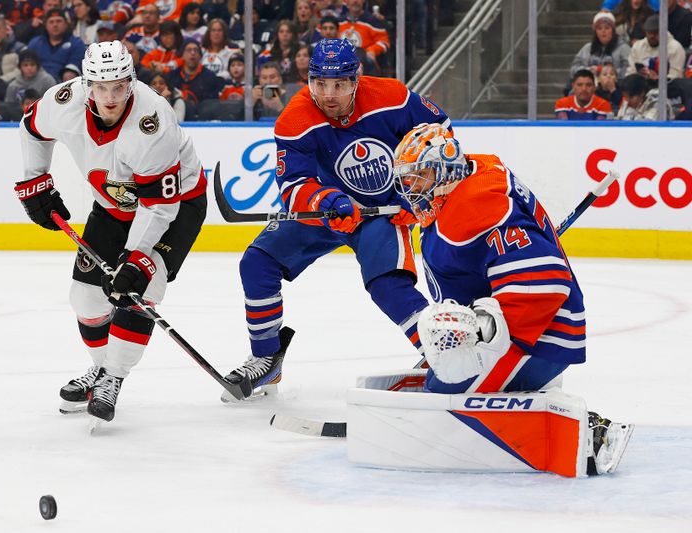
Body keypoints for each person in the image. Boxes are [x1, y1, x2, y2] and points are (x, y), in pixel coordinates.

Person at [388, 122, 632, 476]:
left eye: (420, 176)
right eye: (408, 179)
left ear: (447, 169)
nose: (412, 188)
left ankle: (587, 434)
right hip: (521, 329)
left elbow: (545, 283)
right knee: (441, 382)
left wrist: (479, 327)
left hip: (538, 334)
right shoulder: (478, 173)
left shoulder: (473, 209)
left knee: (442, 408)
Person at [221, 39, 450, 400]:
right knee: (257, 262)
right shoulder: (294, 119)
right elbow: (293, 185)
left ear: (356, 79)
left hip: (383, 212)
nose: (329, 94)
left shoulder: (393, 97)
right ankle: (266, 359)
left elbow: (439, 135)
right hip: (329, 211)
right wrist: (324, 200)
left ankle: (444, 355)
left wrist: (416, 192)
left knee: (388, 285)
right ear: (309, 79)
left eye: (339, 84)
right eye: (319, 83)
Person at [15, 40, 207, 424]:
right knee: (85, 299)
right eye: (101, 87)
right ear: (87, 85)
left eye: (119, 85)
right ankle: (102, 368)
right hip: (112, 206)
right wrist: (34, 182)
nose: (110, 96)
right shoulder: (65, 102)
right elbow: (31, 128)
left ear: (130, 81)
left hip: (177, 205)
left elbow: (158, 206)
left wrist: (135, 259)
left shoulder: (153, 120)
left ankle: (114, 378)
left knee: (140, 288)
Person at [26, 8, 85, 80]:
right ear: (45, 25)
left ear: (66, 24)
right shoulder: (35, 43)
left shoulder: (76, 43)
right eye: (51, 22)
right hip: (37, 81)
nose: (55, 25)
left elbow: (74, 66)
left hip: (62, 83)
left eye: (59, 21)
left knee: (69, 75)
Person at [570, 11, 630, 81]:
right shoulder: (587, 48)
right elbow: (573, 69)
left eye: (607, 28)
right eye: (599, 28)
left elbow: (629, 70)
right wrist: (588, 71)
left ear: (613, 31)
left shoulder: (623, 48)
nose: (603, 31)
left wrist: (605, 72)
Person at [625, 14, 685, 80]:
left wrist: (657, 79)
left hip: (667, 87)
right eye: (649, 33)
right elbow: (631, 72)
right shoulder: (638, 46)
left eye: (655, 33)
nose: (652, 36)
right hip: (641, 86)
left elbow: (675, 76)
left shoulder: (675, 48)